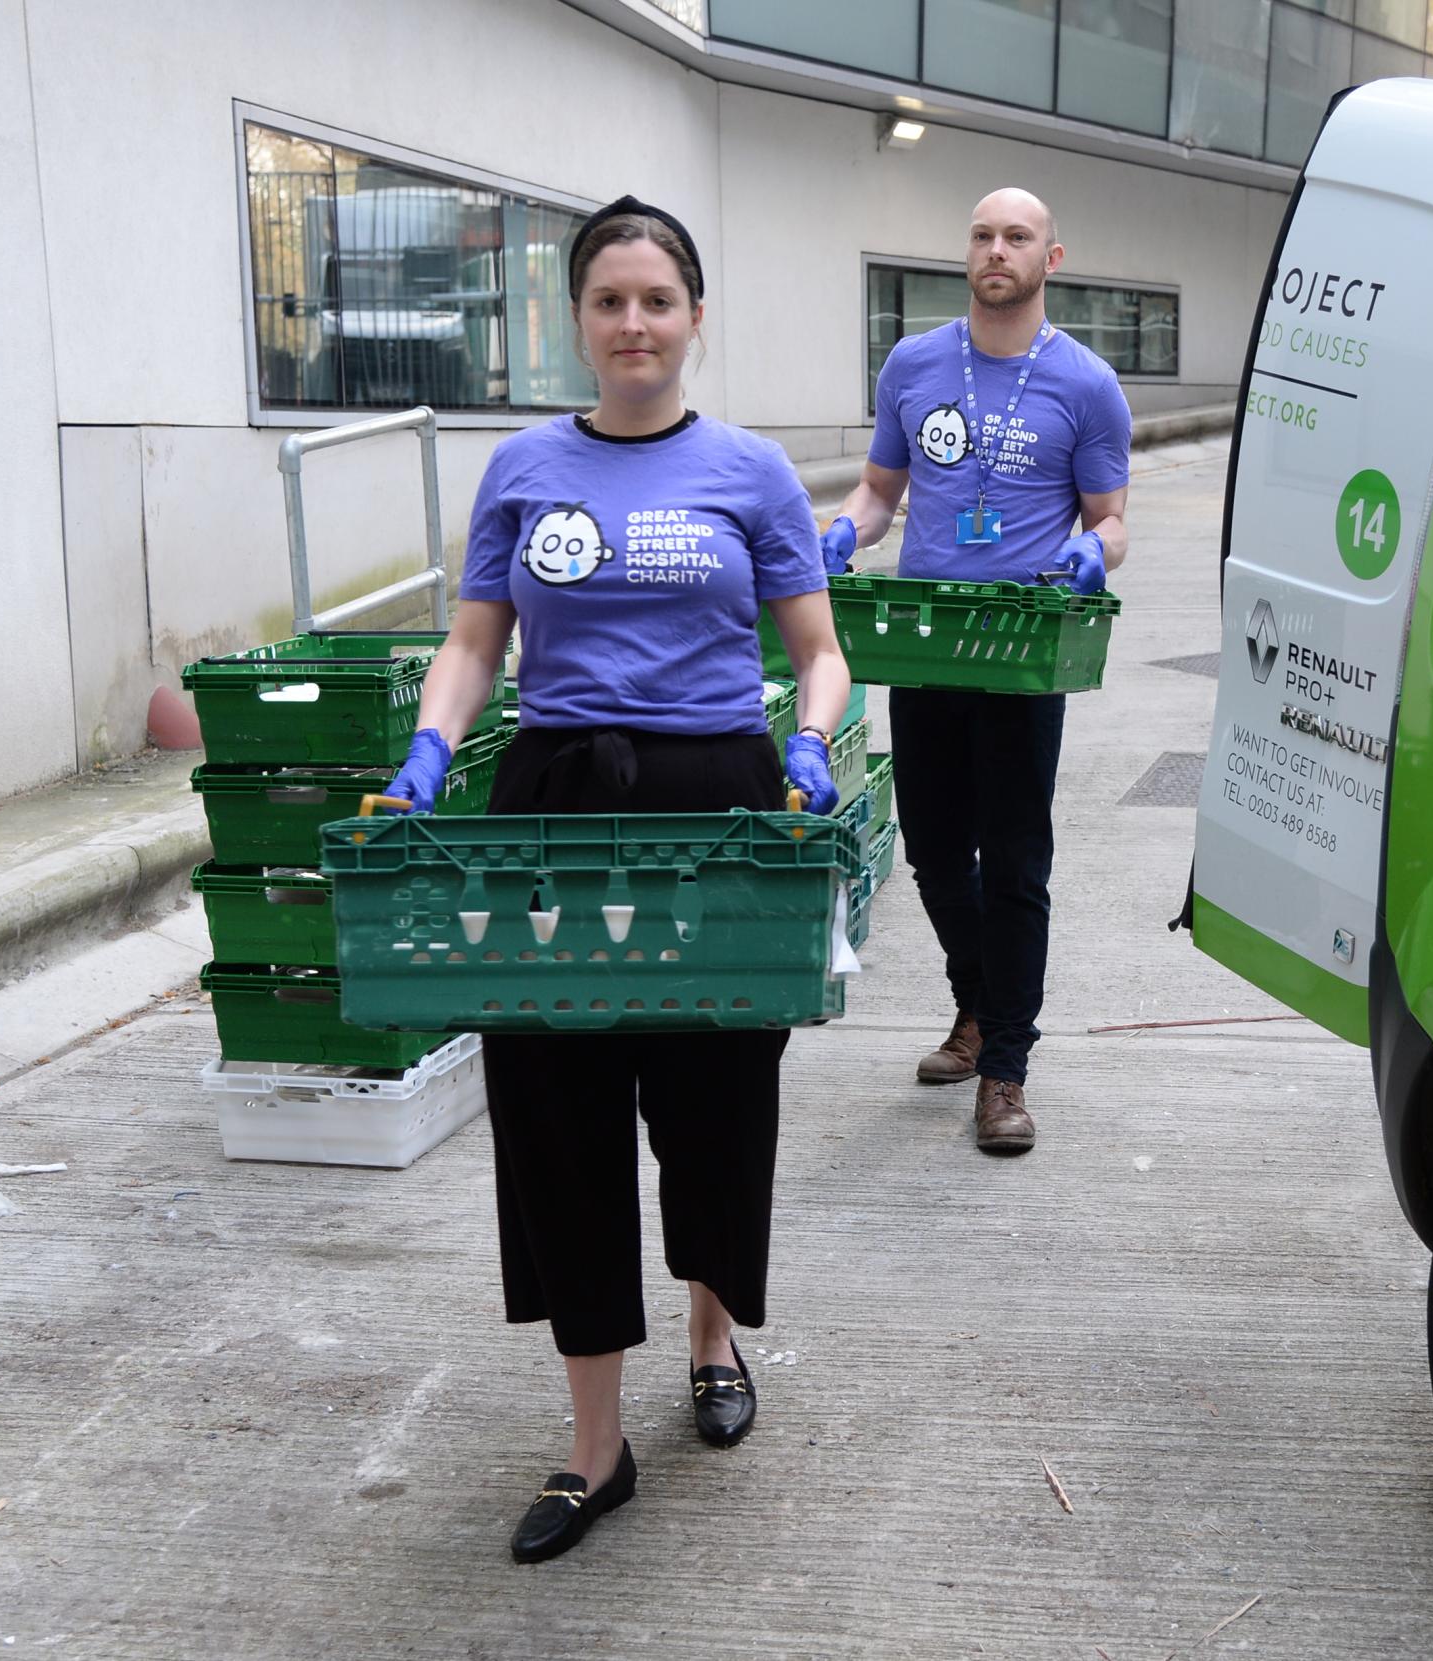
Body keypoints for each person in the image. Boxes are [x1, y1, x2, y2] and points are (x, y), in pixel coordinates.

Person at [378, 195, 852, 1565]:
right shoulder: (523, 467)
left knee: (714, 1098)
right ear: (575, 320)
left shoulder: (753, 471)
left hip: (716, 801)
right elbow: (476, 642)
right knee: (557, 1114)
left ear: (695, 317)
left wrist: (810, 745)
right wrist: (428, 741)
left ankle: (713, 1338)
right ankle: (595, 1446)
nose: (634, 323)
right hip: (553, 809)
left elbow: (817, 649)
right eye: (609, 301)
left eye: (658, 300)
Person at [820, 187, 1132, 1156]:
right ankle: (978, 1007)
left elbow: (1110, 518)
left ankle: (1004, 1067)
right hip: (922, 642)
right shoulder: (914, 363)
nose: (997, 249)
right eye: (983, 235)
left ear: (1052, 255)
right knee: (930, 850)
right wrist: (843, 528)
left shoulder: (1084, 384)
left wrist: (1095, 551)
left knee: (1015, 861)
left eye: (1017, 237)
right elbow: (881, 491)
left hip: (1020, 653)